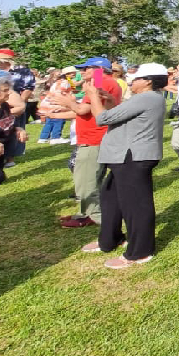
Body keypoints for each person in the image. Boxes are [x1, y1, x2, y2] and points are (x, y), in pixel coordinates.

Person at [78, 63, 168, 269]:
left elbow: (102, 119)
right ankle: (110, 239)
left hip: (133, 157)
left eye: (136, 79)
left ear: (148, 81)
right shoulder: (146, 98)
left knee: (136, 206)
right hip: (123, 157)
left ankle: (140, 252)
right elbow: (120, 116)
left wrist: (92, 96)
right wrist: (109, 101)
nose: (131, 82)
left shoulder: (147, 97)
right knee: (111, 199)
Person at [51, 57, 123, 229]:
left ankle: (95, 217)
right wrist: (58, 113)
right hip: (94, 137)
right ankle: (87, 212)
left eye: (86, 68)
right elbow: (85, 111)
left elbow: (83, 109)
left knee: (86, 181)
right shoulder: (99, 82)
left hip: (94, 138)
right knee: (89, 179)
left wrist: (68, 102)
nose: (81, 71)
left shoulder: (101, 81)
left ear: (99, 70)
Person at [0, 71, 27, 230]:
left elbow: (9, 124)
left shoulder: (4, 106)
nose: (9, 93)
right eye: (5, 90)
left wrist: (18, 129)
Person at [0, 48, 34, 168]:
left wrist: (20, 103)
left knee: (12, 129)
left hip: (12, 103)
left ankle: (10, 157)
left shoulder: (22, 70)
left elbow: (28, 88)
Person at [39, 66, 76, 144]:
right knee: (59, 120)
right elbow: (60, 93)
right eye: (72, 73)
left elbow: (72, 89)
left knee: (50, 121)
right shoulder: (65, 83)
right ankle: (56, 137)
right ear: (67, 74)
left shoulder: (60, 81)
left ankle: (43, 137)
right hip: (56, 103)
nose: (74, 74)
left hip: (49, 102)